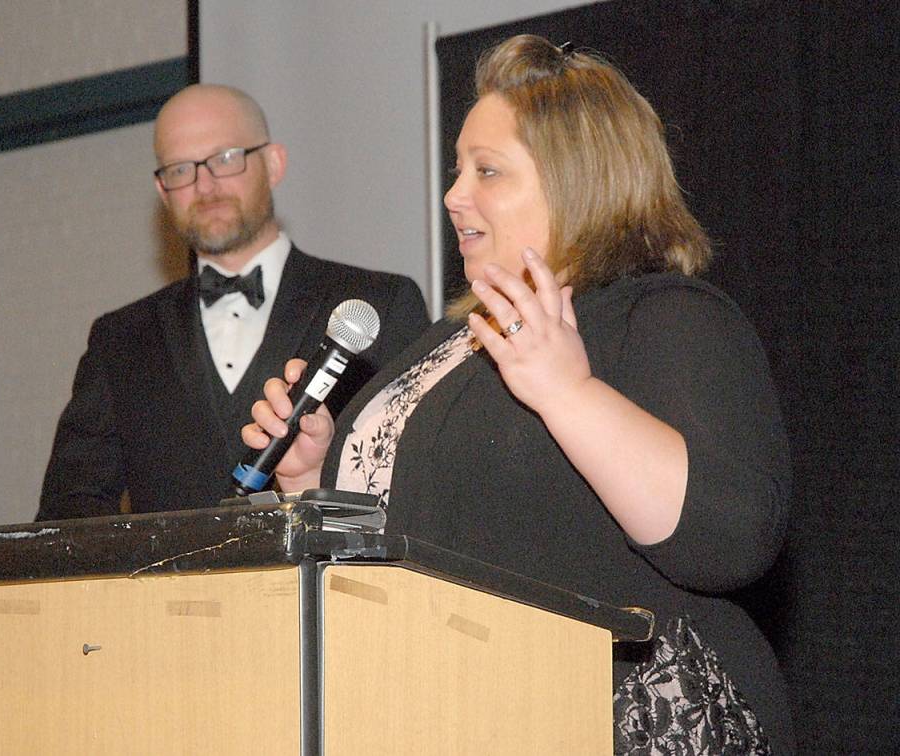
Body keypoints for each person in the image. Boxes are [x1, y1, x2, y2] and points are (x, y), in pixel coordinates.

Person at [245, 36, 793, 754]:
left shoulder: (661, 316)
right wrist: (314, 480)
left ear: (578, 179)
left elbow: (729, 536)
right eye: (457, 170)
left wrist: (569, 394)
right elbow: (419, 542)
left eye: (488, 171)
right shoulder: (445, 346)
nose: (453, 195)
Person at [36, 84, 429, 520]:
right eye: (181, 169)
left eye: (226, 158)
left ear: (274, 163)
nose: (205, 185)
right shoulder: (119, 339)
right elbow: (67, 514)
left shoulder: (379, 304)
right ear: (163, 192)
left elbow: (419, 490)